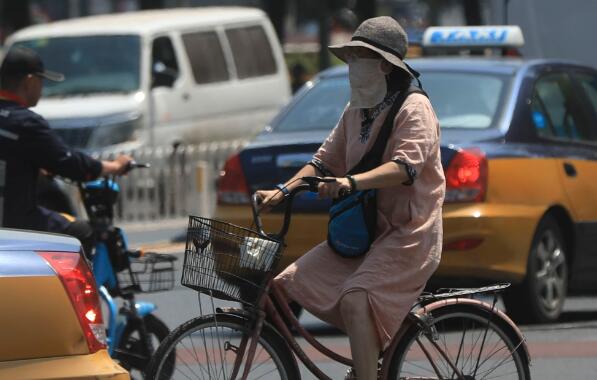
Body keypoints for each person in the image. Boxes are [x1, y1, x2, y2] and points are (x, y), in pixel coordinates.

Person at [256, 17, 445, 380]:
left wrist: (351, 182)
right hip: (366, 233)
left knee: (356, 299)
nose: (352, 64)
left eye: (360, 55)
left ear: (385, 66)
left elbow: (405, 168)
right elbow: (323, 161)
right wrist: (282, 191)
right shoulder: (356, 110)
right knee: (282, 287)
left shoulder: (413, 108)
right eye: (351, 56)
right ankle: (368, 360)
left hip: (408, 234)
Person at [0, 46, 132, 255]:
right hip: (16, 222)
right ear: (30, 82)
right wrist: (114, 166)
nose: (41, 89)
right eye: (41, 82)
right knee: (84, 232)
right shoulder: (26, 123)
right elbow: (70, 163)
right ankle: (79, 288)